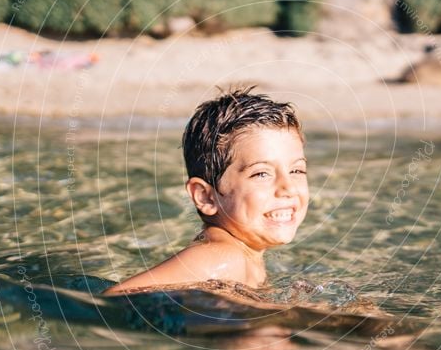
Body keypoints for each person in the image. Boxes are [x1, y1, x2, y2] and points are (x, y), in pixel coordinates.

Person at [103, 85, 309, 295]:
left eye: (297, 170)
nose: (288, 188)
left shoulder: (244, 256)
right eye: (261, 174)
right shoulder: (223, 258)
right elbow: (114, 298)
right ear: (205, 196)